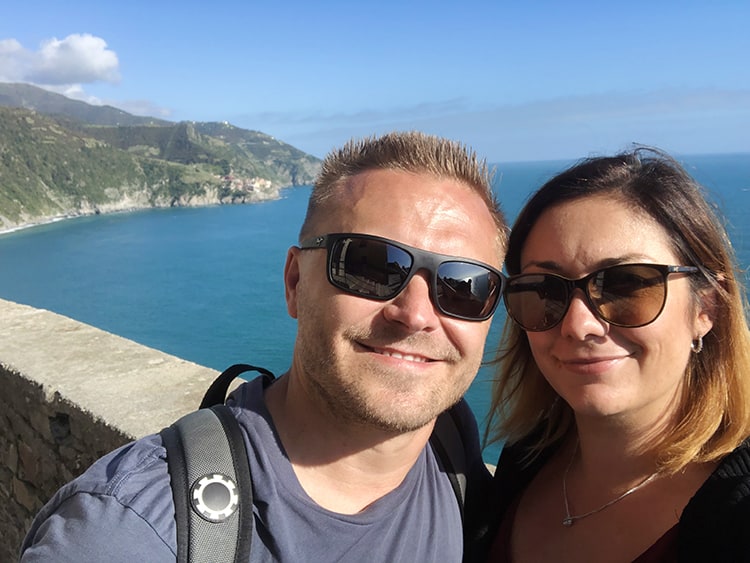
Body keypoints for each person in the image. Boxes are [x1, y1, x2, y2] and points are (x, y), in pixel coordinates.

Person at [20, 131, 508, 562]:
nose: (417, 315)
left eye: (464, 287)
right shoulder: (130, 531)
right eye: (372, 265)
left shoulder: (451, 447)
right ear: (295, 282)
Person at [482, 147, 750, 562]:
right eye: (544, 289)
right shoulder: (523, 464)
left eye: (626, 284)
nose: (577, 324)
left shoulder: (737, 514)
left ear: (705, 309)